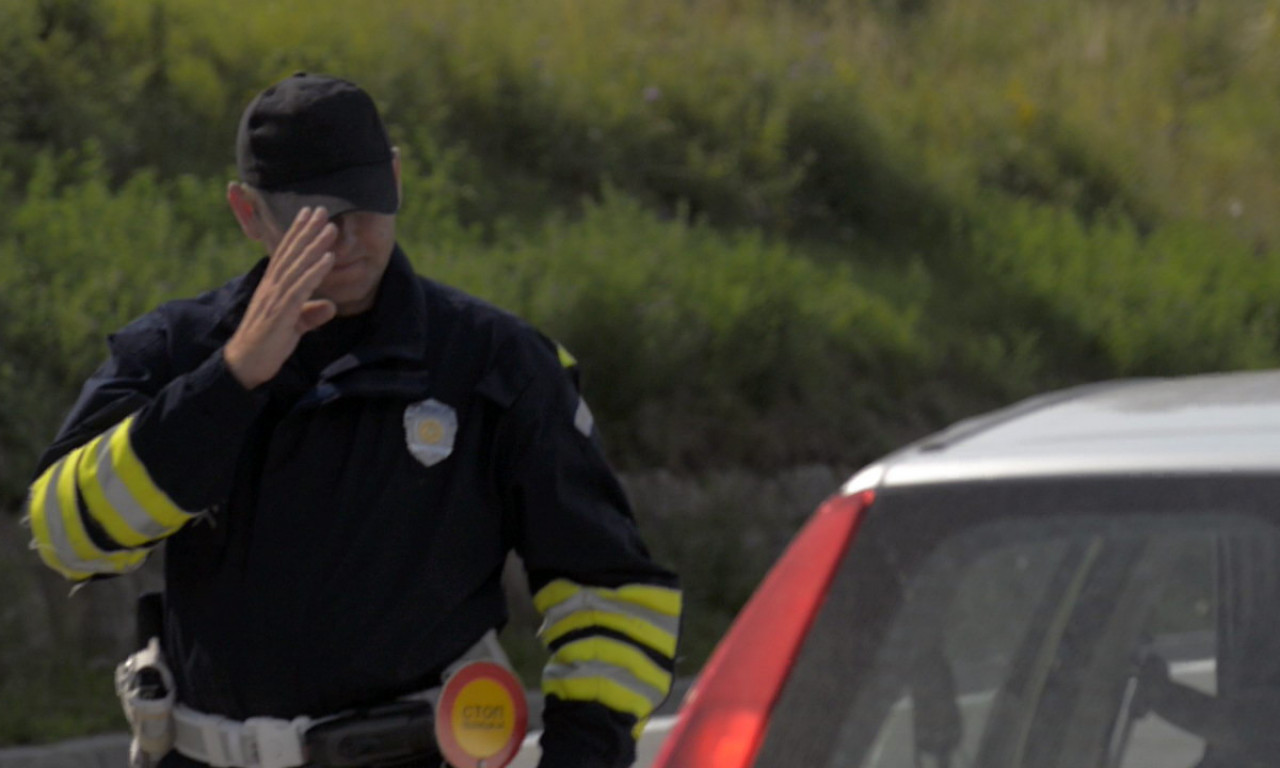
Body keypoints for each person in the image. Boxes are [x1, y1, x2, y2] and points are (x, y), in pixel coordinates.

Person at [24, 72, 682, 768]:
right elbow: (66, 537)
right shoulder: (176, 351)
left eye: (366, 203)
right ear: (248, 214)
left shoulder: (496, 364)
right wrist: (229, 382)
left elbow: (610, 593)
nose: (346, 238)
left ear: (395, 179)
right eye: (312, 215)